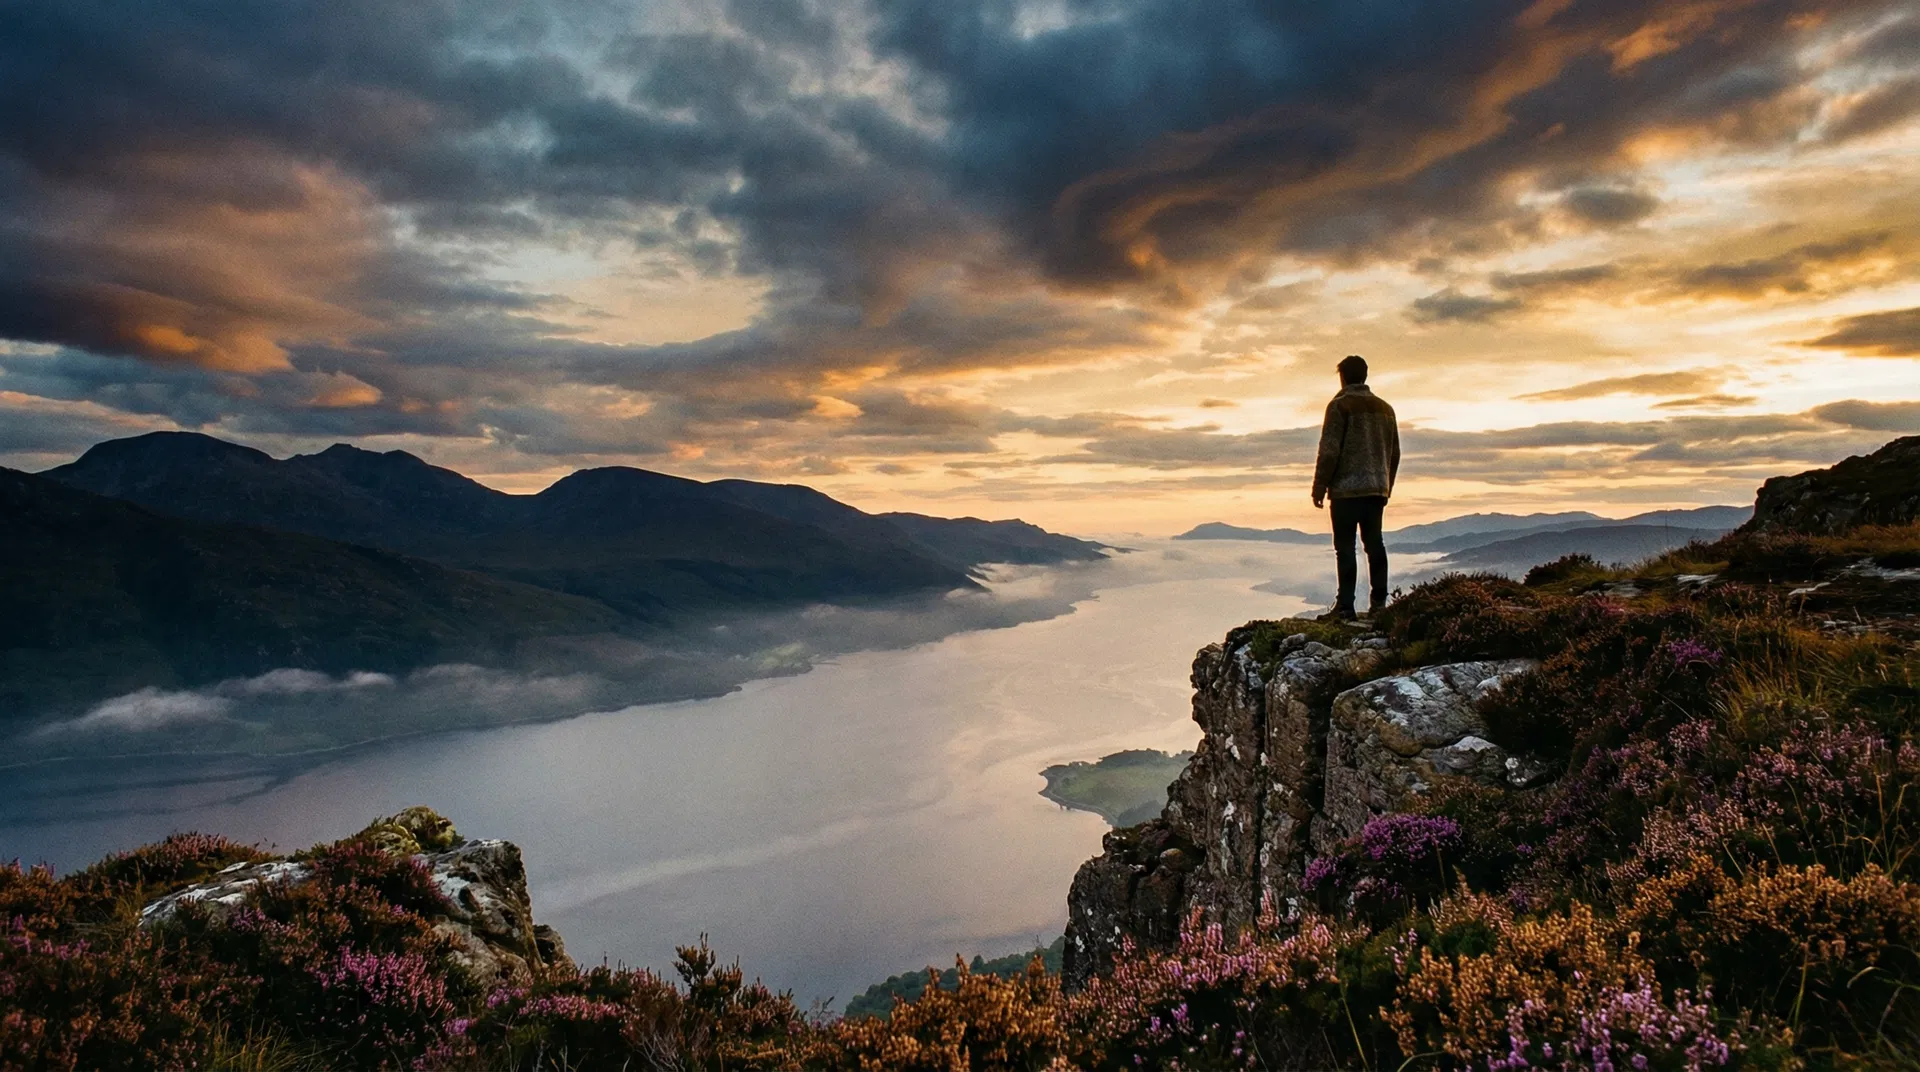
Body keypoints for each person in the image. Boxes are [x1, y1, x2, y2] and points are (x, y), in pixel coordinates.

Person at [1311, 355, 1400, 620]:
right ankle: (1379, 605)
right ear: (1365, 375)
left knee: (1345, 548)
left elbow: (1329, 451)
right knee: (1375, 545)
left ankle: (1346, 607)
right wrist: (1386, 487)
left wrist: (1319, 485)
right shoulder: (1386, 409)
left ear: (1342, 376)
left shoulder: (1340, 405)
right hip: (1376, 489)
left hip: (1346, 491)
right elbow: (1394, 453)